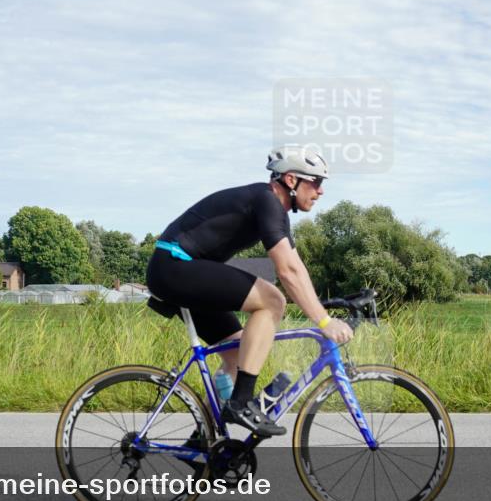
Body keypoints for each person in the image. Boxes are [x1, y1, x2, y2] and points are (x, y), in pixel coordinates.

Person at [145, 146, 354, 437]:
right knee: (272, 301)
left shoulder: (273, 210)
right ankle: (241, 403)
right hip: (174, 265)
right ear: (291, 180)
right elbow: (287, 273)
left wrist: (323, 307)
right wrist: (323, 322)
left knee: (236, 353)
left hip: (179, 269)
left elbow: (296, 266)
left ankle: (204, 441)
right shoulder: (266, 200)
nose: (320, 191)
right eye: (316, 182)